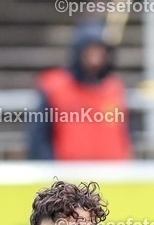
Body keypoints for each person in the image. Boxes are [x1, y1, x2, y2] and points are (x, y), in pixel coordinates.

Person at [27, 20, 133, 160]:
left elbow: (125, 133)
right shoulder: (55, 87)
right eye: (91, 52)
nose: (96, 59)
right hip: (69, 174)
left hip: (112, 174)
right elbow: (39, 138)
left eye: (100, 52)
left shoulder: (114, 88)